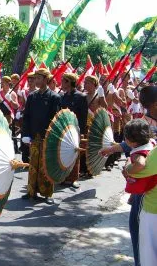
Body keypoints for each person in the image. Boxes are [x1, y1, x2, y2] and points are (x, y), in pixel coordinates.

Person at [99, 86, 157, 266]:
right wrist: (111, 150)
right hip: (147, 191)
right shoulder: (144, 124)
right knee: (142, 233)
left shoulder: (144, 123)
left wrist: (127, 168)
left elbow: (130, 150)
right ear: (154, 104)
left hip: (149, 192)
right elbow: (128, 145)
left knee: (145, 233)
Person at [21, 68, 61, 205]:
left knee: (45, 165)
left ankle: (47, 194)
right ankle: (31, 191)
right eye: (35, 78)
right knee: (33, 164)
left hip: (47, 137)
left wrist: (53, 138)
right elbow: (26, 117)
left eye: (39, 78)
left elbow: (56, 120)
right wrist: (25, 134)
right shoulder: (32, 97)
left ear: (46, 79)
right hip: (33, 136)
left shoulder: (54, 97)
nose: (36, 81)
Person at [60, 73, 88, 189]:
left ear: (69, 82)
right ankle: (64, 176)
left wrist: (81, 132)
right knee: (65, 153)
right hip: (65, 130)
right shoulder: (63, 97)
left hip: (76, 129)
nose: (61, 83)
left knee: (75, 153)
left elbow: (83, 116)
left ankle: (73, 178)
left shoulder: (81, 97)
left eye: (63, 81)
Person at [137, 147, 157, 266]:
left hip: (153, 212)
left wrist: (130, 162)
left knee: (149, 255)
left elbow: (137, 171)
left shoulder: (155, 153)